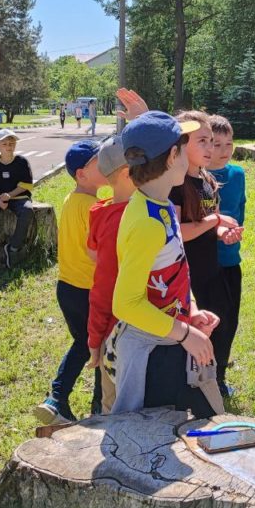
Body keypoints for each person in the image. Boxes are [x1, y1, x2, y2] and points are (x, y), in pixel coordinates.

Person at [110, 111, 222, 417]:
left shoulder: (161, 205)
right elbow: (126, 304)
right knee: (150, 436)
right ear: (173, 156)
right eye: (184, 147)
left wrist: (191, 310)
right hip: (150, 355)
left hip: (167, 339)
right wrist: (185, 333)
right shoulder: (148, 223)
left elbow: (174, 268)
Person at [34, 140, 107, 425]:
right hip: (91, 291)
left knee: (83, 343)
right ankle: (99, 406)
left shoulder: (70, 199)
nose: (107, 165)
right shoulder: (94, 207)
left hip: (67, 288)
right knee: (103, 345)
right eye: (99, 162)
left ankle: (57, 399)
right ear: (81, 174)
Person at [170, 111, 243, 397]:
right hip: (185, 276)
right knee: (192, 331)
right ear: (181, 144)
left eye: (211, 141)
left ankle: (215, 379)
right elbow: (178, 232)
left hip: (211, 269)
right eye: (202, 141)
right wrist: (215, 221)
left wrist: (223, 232)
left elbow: (210, 223)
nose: (210, 148)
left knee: (222, 324)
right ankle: (190, 387)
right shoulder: (175, 185)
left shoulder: (206, 179)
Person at [84, 135, 136, 414]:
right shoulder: (128, 218)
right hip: (122, 335)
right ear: (127, 173)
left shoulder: (102, 211)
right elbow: (104, 288)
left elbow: (91, 252)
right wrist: (95, 341)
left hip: (119, 333)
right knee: (118, 409)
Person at [208, 115, 246, 376]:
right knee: (212, 319)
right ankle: (209, 371)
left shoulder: (238, 174)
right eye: (216, 144)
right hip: (205, 262)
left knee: (231, 317)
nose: (224, 151)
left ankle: (220, 367)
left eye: (229, 144)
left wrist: (234, 232)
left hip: (232, 259)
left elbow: (240, 209)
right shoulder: (195, 176)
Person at [0, 129, 34, 269]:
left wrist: (10, 195)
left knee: (27, 210)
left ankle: (14, 248)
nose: (9, 146)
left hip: (18, 196)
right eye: (5, 144)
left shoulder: (22, 162)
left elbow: (25, 185)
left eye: (12, 143)